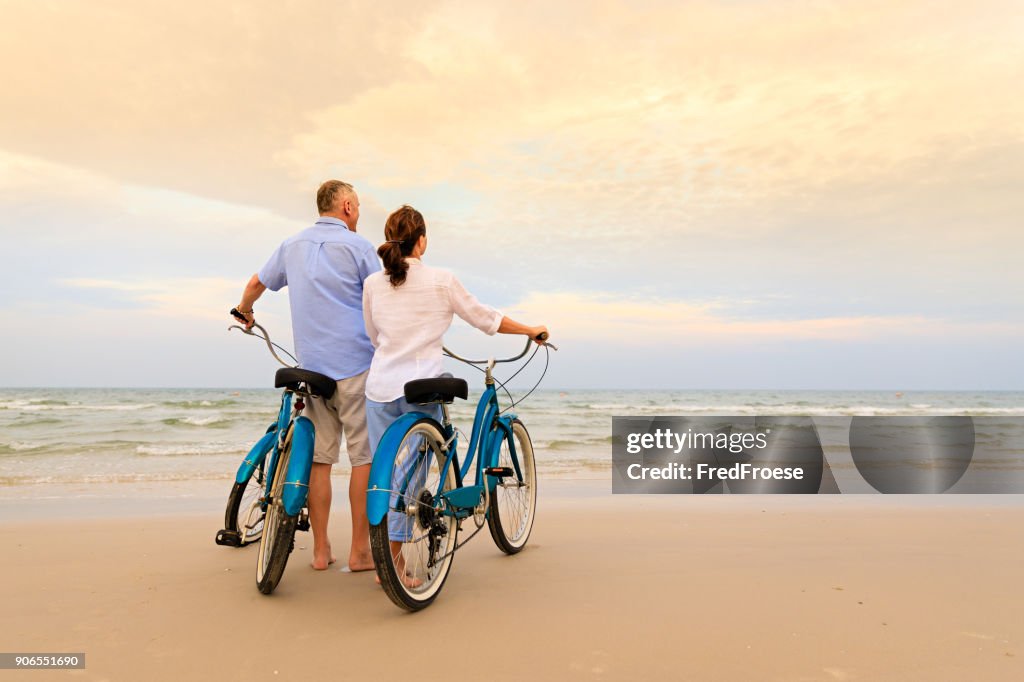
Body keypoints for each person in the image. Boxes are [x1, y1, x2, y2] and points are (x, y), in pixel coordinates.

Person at [361, 205, 547, 581]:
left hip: (379, 388)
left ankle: (386, 554)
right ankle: (392, 564)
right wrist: (530, 330)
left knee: (384, 473)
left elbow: (373, 336)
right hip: (421, 389)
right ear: (422, 240)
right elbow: (486, 319)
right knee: (411, 478)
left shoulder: (372, 284)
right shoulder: (441, 281)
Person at [234, 180, 379, 572]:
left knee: (320, 460)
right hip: (357, 367)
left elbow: (254, 285)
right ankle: (360, 552)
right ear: (347, 206)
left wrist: (245, 310)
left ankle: (320, 550)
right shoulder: (359, 247)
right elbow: (382, 297)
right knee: (363, 457)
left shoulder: (291, 246)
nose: (359, 213)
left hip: (312, 371)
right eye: (359, 206)